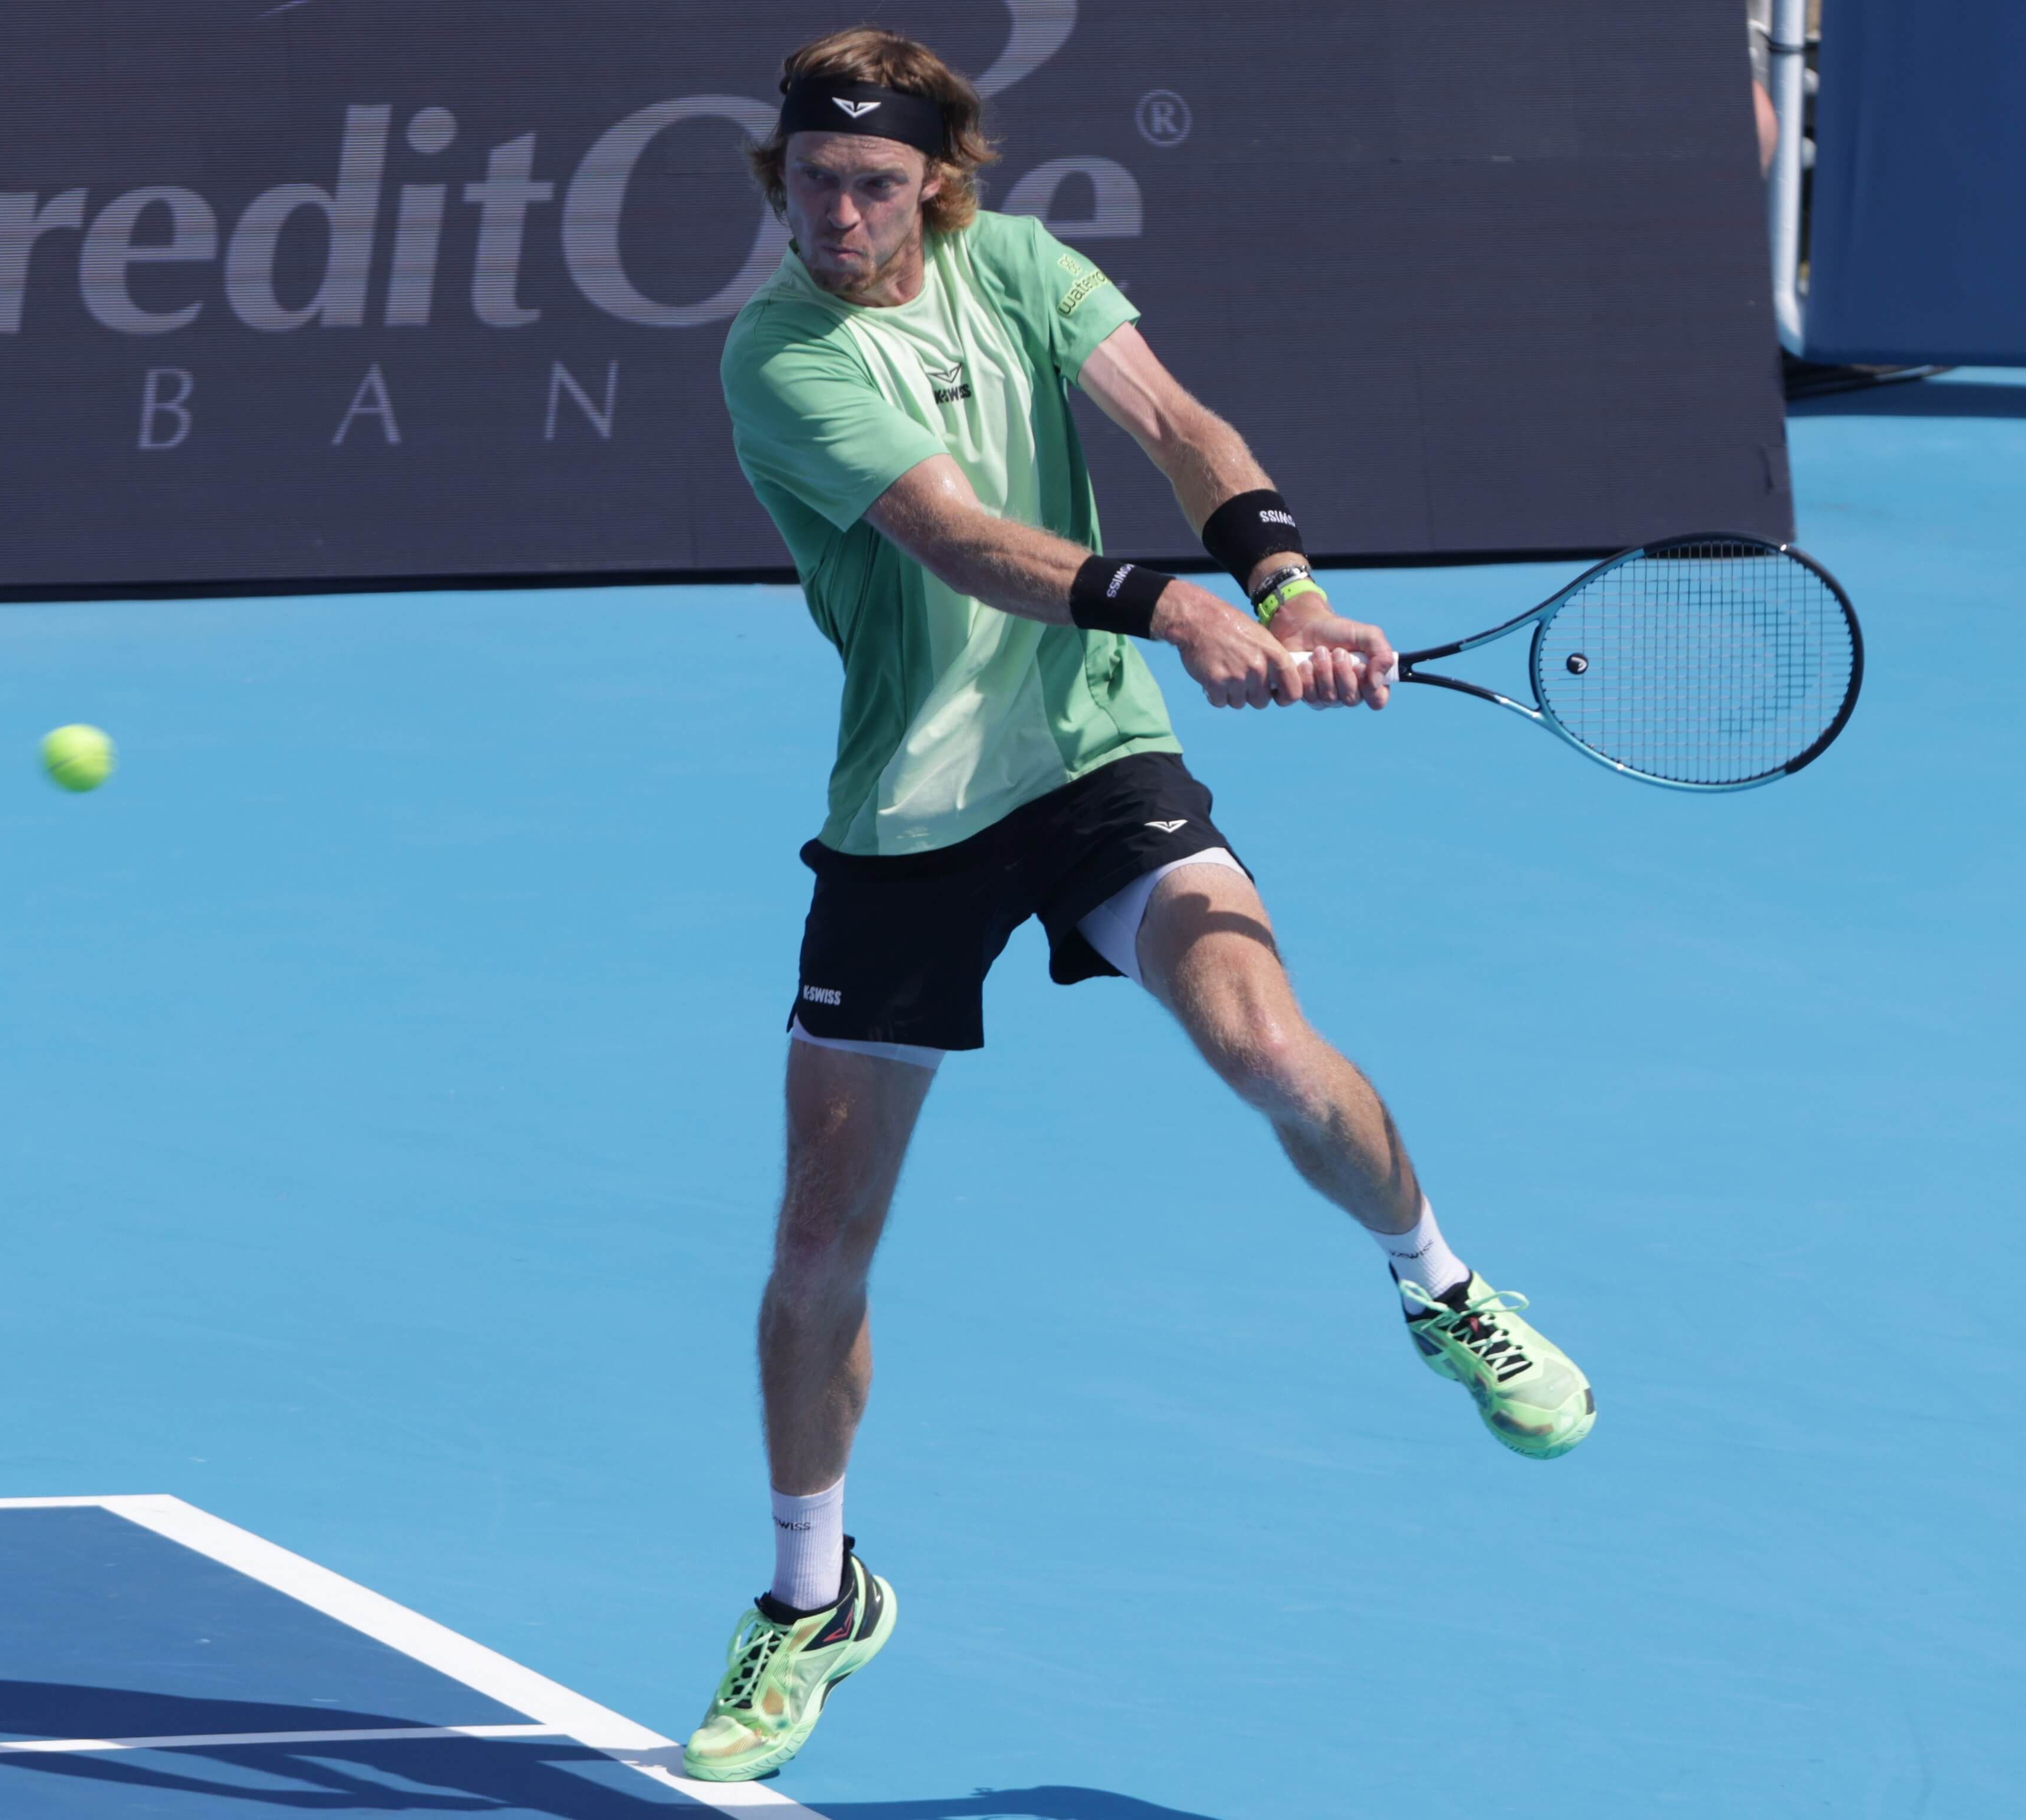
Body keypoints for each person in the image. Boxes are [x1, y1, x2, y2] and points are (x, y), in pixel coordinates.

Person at [683, 27, 1595, 1784]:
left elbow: (1177, 424)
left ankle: (1442, 1284)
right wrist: (1177, 610)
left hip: (1096, 767)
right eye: (811, 179)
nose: (838, 213)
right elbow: (957, 541)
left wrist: (1288, 582)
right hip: (910, 816)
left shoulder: (1016, 267)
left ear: (937, 186)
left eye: (875, 184)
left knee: (1265, 1041)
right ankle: (812, 1598)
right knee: (817, 1247)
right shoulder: (778, 355)